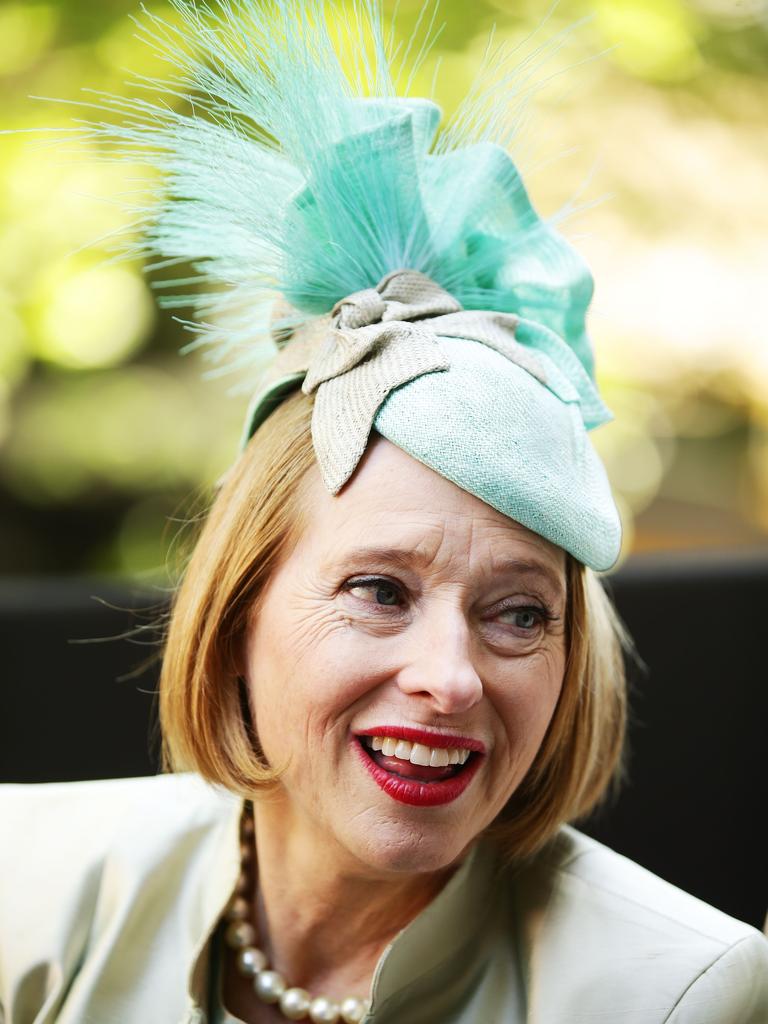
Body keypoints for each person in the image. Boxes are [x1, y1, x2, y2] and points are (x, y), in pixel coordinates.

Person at [2, 2, 767, 1022]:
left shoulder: (679, 992)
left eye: (522, 613)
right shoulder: (25, 886)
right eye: (377, 588)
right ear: (237, 614)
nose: (450, 679)